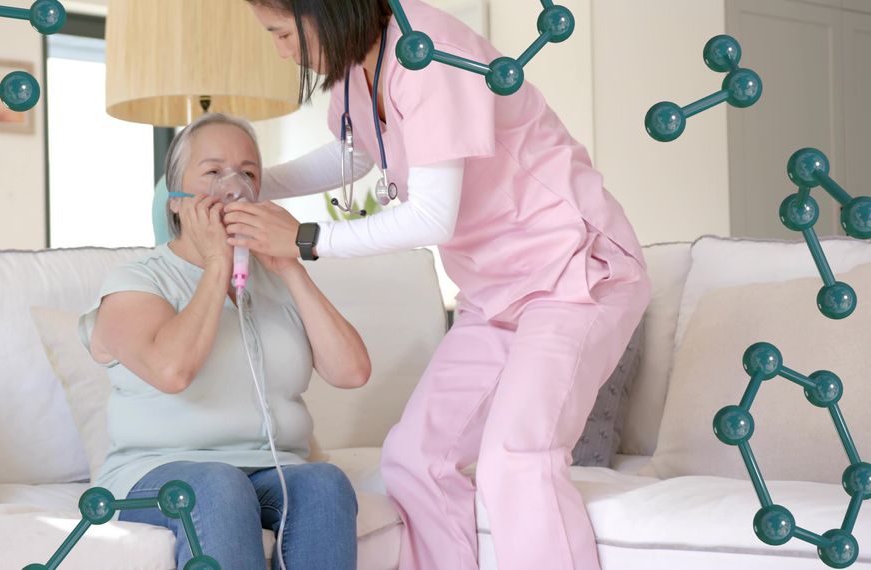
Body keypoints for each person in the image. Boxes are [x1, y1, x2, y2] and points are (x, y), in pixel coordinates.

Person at [223, 1, 651, 569]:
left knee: (516, 458)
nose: (281, 49)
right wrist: (255, 182)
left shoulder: (428, 55)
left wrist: (303, 238)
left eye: (281, 32)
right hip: (494, 296)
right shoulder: (358, 66)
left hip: (573, 274)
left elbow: (431, 218)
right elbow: (356, 155)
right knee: (413, 458)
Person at [79, 112, 370, 570]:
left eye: (248, 173)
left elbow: (351, 372)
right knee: (218, 484)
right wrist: (217, 263)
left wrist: (290, 265)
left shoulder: (274, 282)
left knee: (325, 482)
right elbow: (172, 371)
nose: (232, 185)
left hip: (270, 469)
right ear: (174, 200)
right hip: (156, 474)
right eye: (212, 171)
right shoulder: (136, 282)